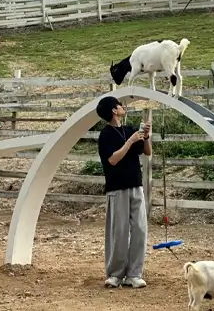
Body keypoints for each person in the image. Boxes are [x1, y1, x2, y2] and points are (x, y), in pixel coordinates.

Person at [96, 96, 152, 290]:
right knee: (119, 232)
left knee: (139, 229)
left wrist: (145, 136)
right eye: (119, 105)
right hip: (117, 187)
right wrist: (129, 141)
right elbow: (112, 160)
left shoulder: (129, 130)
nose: (122, 107)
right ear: (113, 110)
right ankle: (115, 274)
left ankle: (134, 274)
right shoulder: (105, 135)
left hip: (136, 185)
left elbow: (146, 152)